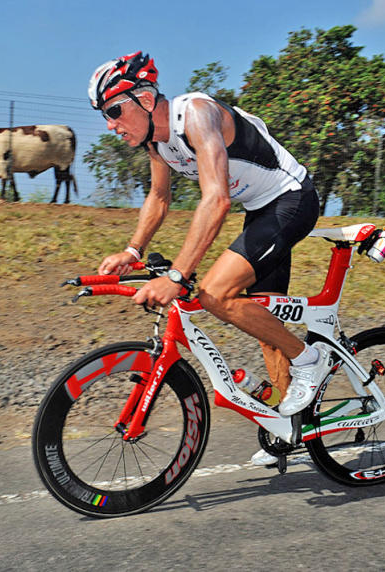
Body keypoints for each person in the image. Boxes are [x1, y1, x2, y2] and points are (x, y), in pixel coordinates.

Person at [88, 51, 329, 466]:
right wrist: (132, 250)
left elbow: (216, 199)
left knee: (215, 294)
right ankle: (291, 429)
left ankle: (311, 360)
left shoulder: (197, 114)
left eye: (114, 111)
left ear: (145, 99)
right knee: (264, 324)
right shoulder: (156, 142)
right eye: (105, 116)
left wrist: (176, 276)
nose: (110, 125)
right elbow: (159, 197)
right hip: (260, 210)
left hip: (292, 199)